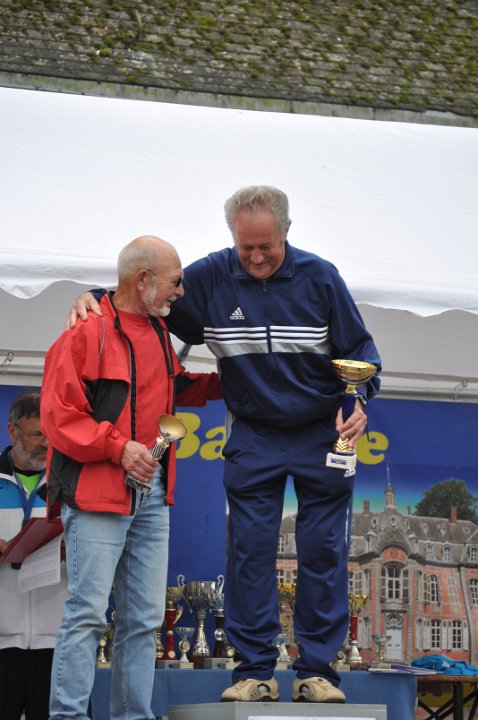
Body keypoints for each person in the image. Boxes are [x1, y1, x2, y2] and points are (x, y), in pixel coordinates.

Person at [68, 187, 381, 704]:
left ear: (287, 232)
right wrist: (95, 296)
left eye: (266, 247)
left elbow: (362, 354)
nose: (255, 258)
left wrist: (361, 399)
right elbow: (146, 294)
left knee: (324, 550)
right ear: (233, 237)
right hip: (253, 432)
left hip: (321, 432)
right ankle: (254, 671)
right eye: (245, 247)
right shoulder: (212, 275)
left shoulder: (321, 278)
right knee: (249, 552)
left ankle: (318, 672)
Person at [41, 235, 222, 720]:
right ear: (142, 280)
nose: (181, 292)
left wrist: (232, 382)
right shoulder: (85, 331)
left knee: (144, 620)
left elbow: (175, 386)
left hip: (153, 495)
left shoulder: (160, 332)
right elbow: (58, 416)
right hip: (97, 496)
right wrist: (119, 448)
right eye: (175, 282)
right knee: (87, 614)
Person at [0, 392, 68, 720]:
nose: (45, 443)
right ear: (12, 430)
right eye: (36, 434)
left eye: (51, 434)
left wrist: (76, 549)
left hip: (58, 641)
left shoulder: (70, 483)